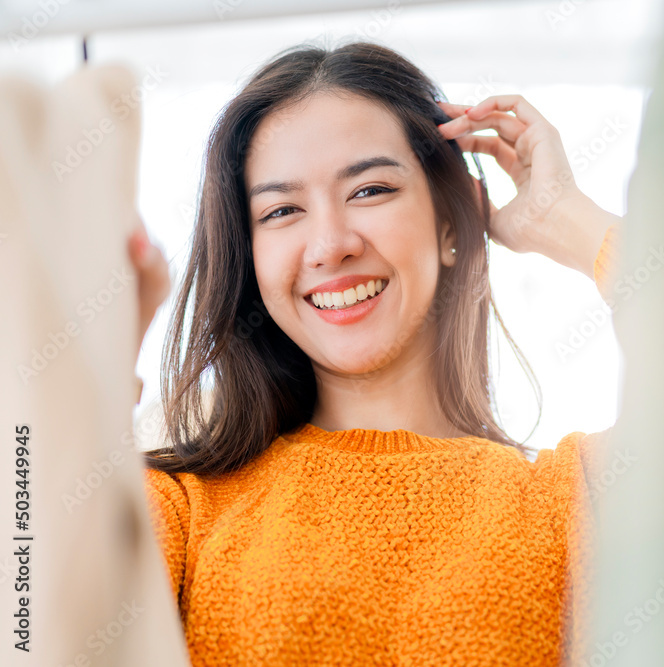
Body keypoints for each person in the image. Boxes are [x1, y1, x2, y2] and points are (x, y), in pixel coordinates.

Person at [126, 40, 622, 666]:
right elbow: (27, 626)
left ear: (452, 223)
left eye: (370, 190)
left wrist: (570, 220)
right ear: (250, 262)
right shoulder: (177, 506)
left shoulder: (575, 496)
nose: (330, 244)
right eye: (282, 210)